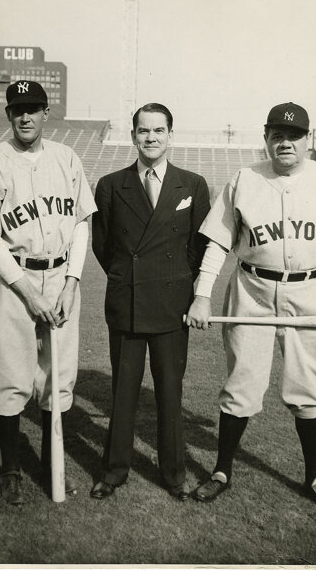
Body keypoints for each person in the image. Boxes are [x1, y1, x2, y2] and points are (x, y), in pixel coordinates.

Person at [186, 102, 316, 512]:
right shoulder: (244, 179)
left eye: (294, 136)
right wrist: (202, 293)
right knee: (242, 384)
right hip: (253, 289)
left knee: (310, 388)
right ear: (266, 138)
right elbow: (218, 244)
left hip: (312, 291)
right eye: (277, 135)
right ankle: (222, 470)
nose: (285, 143)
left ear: (307, 140)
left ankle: (314, 477)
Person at [0, 80, 97, 506]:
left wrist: (72, 283)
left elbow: (80, 225)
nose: (26, 116)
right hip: (11, 280)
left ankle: (50, 466)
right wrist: (27, 292)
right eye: (18, 109)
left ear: (45, 113)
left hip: (60, 280)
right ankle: (11, 469)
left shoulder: (66, 158)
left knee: (58, 376)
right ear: (8, 115)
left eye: (33, 108)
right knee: (9, 376)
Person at [91, 103, 210, 500]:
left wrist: (176, 282)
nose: (151, 138)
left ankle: (173, 474)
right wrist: (130, 277)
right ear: (133, 136)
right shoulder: (111, 184)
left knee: (169, 393)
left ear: (171, 136)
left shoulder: (192, 185)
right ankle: (113, 471)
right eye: (144, 131)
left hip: (172, 306)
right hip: (127, 302)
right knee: (123, 392)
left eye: (159, 131)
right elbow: (104, 247)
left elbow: (198, 247)